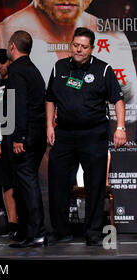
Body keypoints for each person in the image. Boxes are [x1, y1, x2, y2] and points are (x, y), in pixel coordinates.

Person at [0, 0, 137, 109]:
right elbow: (2, 103)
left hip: (90, 129)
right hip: (33, 129)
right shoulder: (3, 35)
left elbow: (129, 109)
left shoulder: (113, 37)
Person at [46, 27, 127, 246]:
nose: (78, 50)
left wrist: (120, 127)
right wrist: (49, 126)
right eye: (75, 45)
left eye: (83, 47)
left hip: (93, 134)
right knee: (58, 182)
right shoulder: (59, 67)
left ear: (92, 48)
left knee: (95, 184)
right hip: (64, 134)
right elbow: (50, 98)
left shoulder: (103, 69)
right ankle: (60, 231)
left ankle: (93, 232)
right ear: (70, 45)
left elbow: (118, 99)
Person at [4, 30, 47, 248]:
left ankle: (37, 233)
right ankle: (25, 231)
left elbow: (17, 105)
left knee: (28, 184)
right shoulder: (33, 69)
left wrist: (18, 136)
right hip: (35, 136)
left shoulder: (17, 70)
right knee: (23, 184)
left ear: (12, 46)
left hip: (25, 136)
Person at [0, 48, 19, 238]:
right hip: (0, 137)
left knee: (19, 182)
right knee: (5, 182)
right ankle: (11, 223)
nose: (0, 66)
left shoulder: (17, 81)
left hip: (17, 138)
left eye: (3, 62)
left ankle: (20, 221)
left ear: (10, 62)